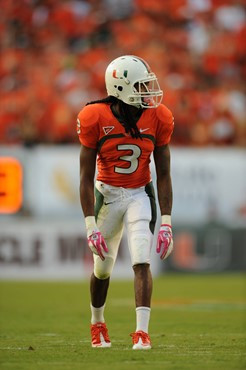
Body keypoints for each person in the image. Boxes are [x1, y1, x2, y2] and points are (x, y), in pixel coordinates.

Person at [77, 55, 174, 350]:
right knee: (102, 269)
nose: (148, 92)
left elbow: (165, 174)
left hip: (138, 195)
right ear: (121, 87)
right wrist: (90, 225)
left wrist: (167, 222)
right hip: (106, 195)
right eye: (141, 86)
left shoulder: (158, 117)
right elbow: (84, 177)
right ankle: (97, 322)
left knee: (142, 260)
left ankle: (142, 332)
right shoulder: (94, 117)